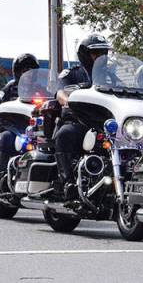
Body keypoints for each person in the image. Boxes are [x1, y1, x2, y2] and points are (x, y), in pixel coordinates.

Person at [52, 34, 111, 196]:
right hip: (77, 121)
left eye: (103, 53)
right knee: (65, 134)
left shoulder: (111, 76)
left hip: (103, 123)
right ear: (85, 54)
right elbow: (60, 93)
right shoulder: (71, 73)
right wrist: (69, 100)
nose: (101, 57)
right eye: (96, 53)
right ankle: (67, 182)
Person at [0, 54, 40, 179]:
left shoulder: (40, 89)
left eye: (32, 71)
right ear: (18, 72)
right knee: (6, 138)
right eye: (25, 70)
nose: (29, 73)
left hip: (34, 128)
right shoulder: (10, 88)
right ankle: (1, 176)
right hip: (12, 127)